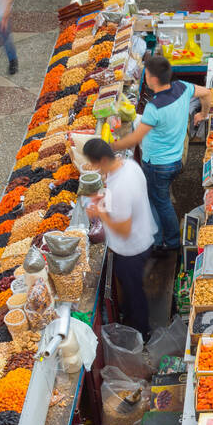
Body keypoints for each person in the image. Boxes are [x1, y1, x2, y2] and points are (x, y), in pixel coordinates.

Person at [111, 54, 211, 254]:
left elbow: (133, 139)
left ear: (153, 79)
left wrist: (110, 147)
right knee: (160, 197)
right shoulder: (183, 87)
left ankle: (168, 242)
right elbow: (207, 93)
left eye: (146, 74)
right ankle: (162, 237)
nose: (145, 77)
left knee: (159, 201)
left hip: (158, 164)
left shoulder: (154, 108)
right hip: (176, 157)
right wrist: (203, 114)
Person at [81, 138, 156, 337]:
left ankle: (141, 332)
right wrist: (104, 198)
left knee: (134, 293)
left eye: (95, 164)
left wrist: (99, 212)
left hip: (131, 249)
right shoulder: (129, 166)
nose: (95, 168)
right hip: (144, 235)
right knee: (132, 288)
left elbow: (123, 229)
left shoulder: (120, 188)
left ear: (102, 161)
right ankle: (132, 318)